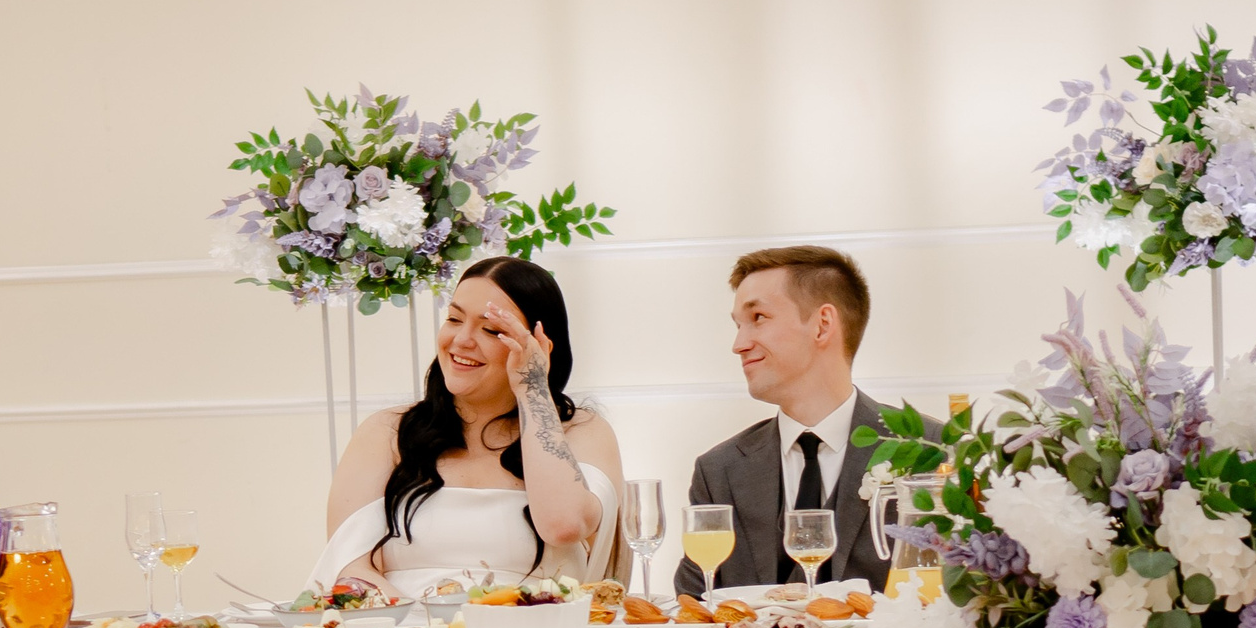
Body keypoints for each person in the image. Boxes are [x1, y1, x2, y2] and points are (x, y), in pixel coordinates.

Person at [314, 257, 623, 598]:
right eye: (454, 319)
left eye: (491, 330)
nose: (461, 340)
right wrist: (427, 627)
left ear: (540, 347)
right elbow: (350, 565)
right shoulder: (385, 432)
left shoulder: (582, 431)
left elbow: (563, 526)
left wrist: (533, 388)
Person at [672, 245, 892, 597]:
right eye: (738, 325)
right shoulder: (719, 472)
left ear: (822, 326)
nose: (739, 344)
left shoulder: (932, 453)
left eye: (758, 317)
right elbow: (696, 609)